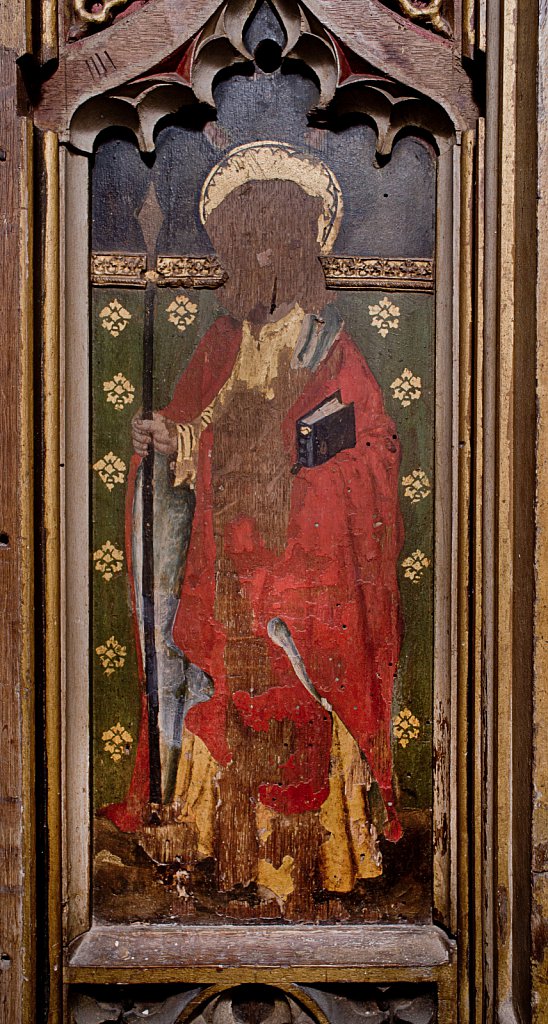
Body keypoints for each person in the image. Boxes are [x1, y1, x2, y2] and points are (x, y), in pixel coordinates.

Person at [104, 142, 404, 908]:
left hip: (304, 571)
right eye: (247, 240)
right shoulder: (220, 343)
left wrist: (310, 476)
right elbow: (194, 429)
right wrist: (166, 443)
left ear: (302, 248)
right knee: (229, 694)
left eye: (275, 239)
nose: (261, 255)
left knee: (294, 700)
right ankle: (222, 847)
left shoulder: (328, 346)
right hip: (226, 559)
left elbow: (374, 451)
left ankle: (309, 865)